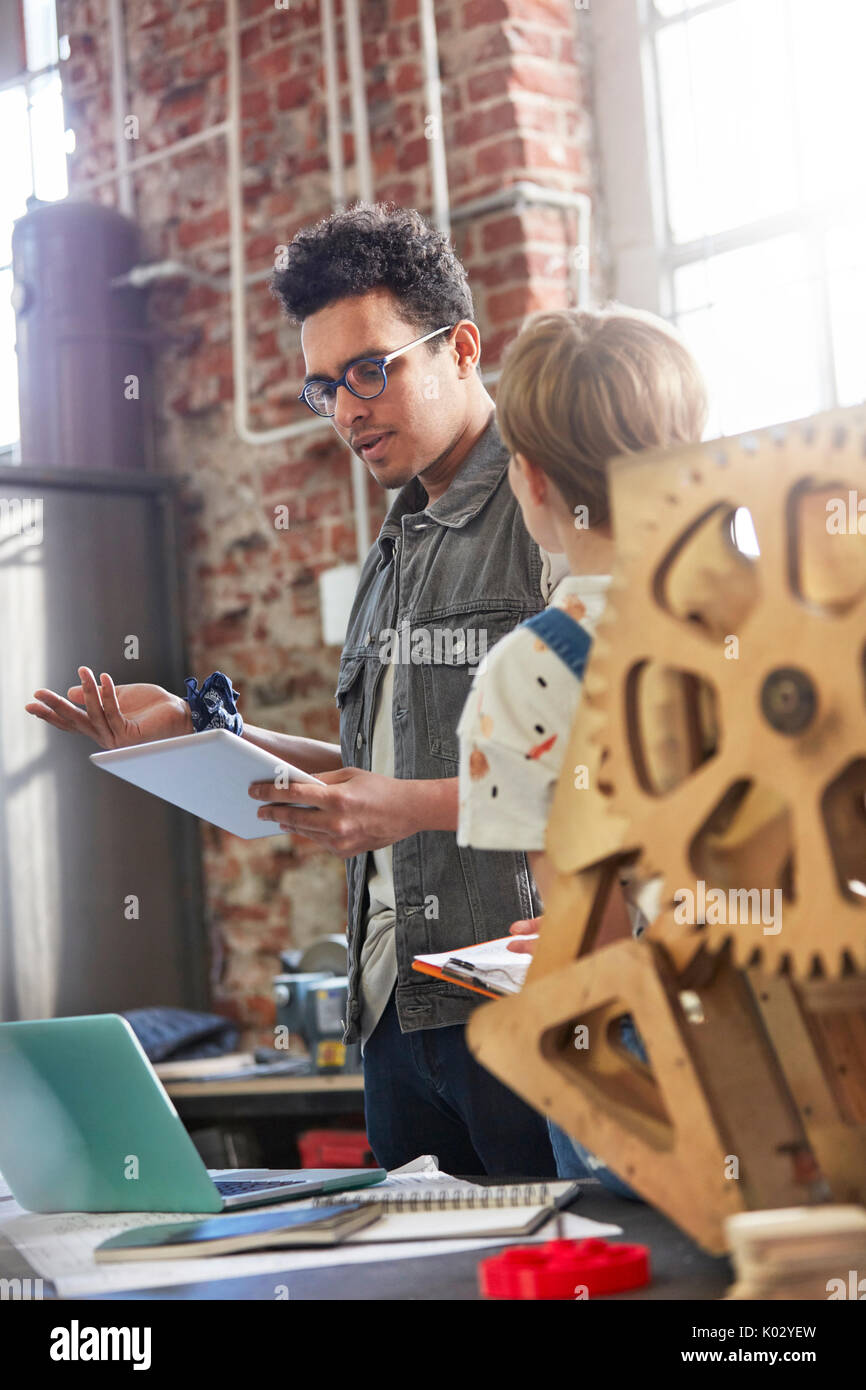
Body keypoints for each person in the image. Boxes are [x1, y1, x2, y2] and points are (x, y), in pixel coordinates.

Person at [25, 203, 561, 1179]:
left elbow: (609, 775)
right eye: (324, 387)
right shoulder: (390, 554)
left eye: (370, 369)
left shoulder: (545, 516)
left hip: (516, 1006)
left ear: (461, 348)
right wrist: (197, 731)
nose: (348, 409)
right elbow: (371, 775)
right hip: (391, 1016)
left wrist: (396, 807)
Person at [455, 305, 708, 1190]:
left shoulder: (531, 671)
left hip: (663, 1069)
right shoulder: (808, 612)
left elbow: (592, 956)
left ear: (526, 479)